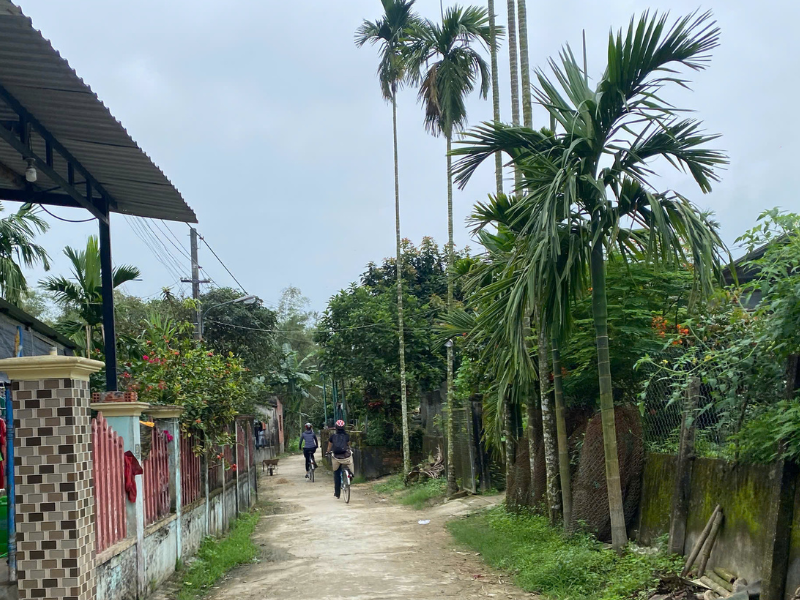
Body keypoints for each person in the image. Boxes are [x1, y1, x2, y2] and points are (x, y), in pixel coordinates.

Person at [327, 419, 353, 499]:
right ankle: (350, 475)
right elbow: (349, 445)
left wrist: (327, 452)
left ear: (336, 428)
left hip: (336, 456)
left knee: (336, 473)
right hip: (345, 455)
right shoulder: (347, 436)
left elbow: (329, 446)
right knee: (350, 465)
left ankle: (337, 493)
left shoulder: (333, 436)